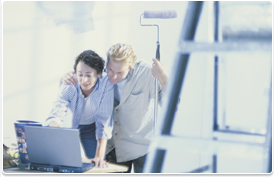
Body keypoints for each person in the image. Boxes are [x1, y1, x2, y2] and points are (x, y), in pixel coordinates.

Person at [62, 43, 168, 173]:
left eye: (119, 72)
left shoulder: (148, 73)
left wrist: (164, 78)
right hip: (114, 147)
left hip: (143, 146)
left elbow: (172, 105)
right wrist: (67, 78)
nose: (113, 76)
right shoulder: (100, 73)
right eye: (110, 70)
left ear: (130, 69)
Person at [44, 50, 115, 168]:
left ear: (98, 74)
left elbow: (104, 121)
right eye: (80, 74)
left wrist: (99, 156)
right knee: (64, 164)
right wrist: (56, 128)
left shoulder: (106, 85)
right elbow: (56, 113)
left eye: (88, 75)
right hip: (69, 128)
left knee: (96, 164)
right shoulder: (69, 84)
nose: (83, 80)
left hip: (92, 128)